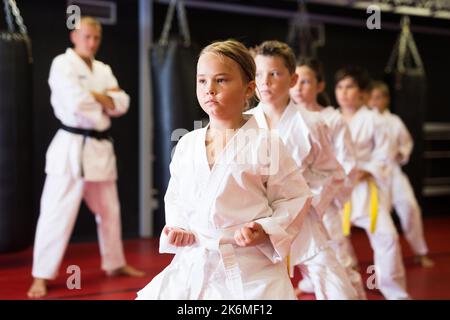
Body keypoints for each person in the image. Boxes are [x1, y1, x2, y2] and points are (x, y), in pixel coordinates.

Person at [136, 39, 313, 300]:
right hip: (196, 261)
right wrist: (179, 229)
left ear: (248, 88)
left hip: (250, 269)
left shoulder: (267, 143)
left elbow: (295, 198)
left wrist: (264, 229)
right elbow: (176, 198)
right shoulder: (187, 143)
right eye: (202, 81)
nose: (210, 90)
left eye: (221, 80)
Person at [27, 16, 144, 299]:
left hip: (99, 150)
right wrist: (106, 99)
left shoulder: (103, 69)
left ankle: (115, 264)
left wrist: (103, 98)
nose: (92, 42)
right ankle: (40, 275)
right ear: (74, 37)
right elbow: (76, 103)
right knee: (56, 214)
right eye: (86, 36)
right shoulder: (62, 64)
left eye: (96, 38)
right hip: (71, 147)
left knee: (110, 212)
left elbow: (123, 103)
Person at [249, 40, 358, 299]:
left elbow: (332, 172)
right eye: (259, 75)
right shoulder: (244, 124)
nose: (266, 82)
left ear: (292, 79)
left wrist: (309, 203)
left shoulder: (312, 123)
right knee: (255, 291)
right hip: (258, 222)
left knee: (338, 287)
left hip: (303, 215)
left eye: (275, 74)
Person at [289, 57, 366, 299]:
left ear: (320, 86)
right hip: (291, 202)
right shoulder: (284, 118)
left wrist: (327, 200)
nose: (299, 87)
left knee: (339, 259)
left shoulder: (333, 119)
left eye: (306, 81)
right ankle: (312, 284)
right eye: (295, 82)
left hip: (323, 201)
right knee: (302, 256)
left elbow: (348, 165)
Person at [335, 66, 410, 299]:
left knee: (387, 237)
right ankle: (348, 288)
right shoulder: (329, 118)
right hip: (337, 190)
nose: (344, 92)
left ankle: (395, 292)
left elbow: (385, 155)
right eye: (340, 87)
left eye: (350, 87)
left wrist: (365, 172)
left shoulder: (375, 120)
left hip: (366, 189)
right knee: (332, 242)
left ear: (361, 92)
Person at [368, 81, 434, 268]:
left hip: (394, 172)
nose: (374, 101)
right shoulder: (364, 120)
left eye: (378, 97)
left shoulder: (395, 121)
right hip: (374, 175)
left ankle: (420, 252)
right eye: (371, 97)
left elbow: (407, 142)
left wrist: (402, 153)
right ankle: (379, 263)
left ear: (386, 100)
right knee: (380, 219)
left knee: (410, 207)